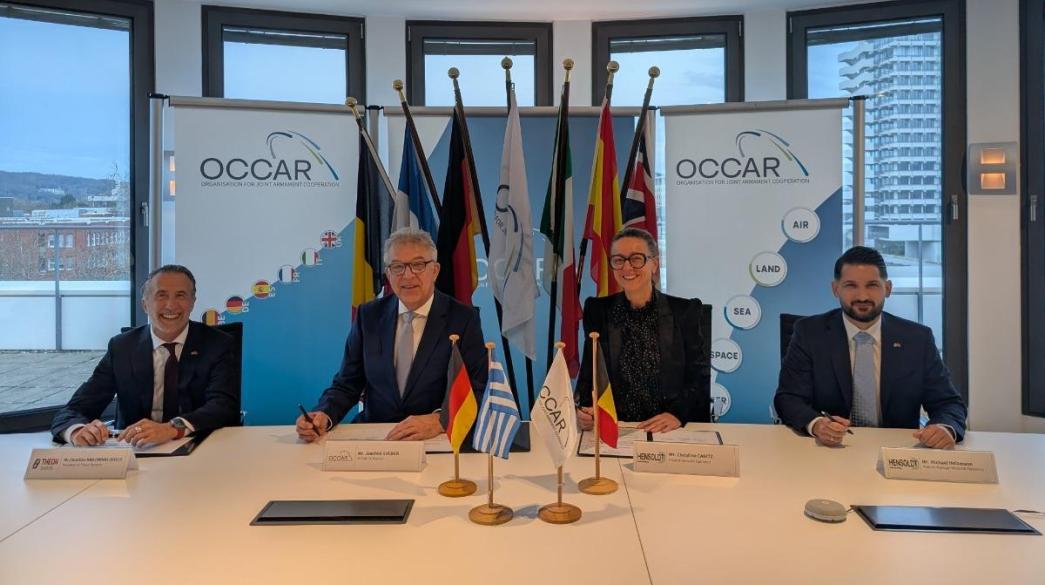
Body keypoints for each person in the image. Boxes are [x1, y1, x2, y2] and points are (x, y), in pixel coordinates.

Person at [297, 227, 487, 442]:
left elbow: (478, 389)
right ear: (388, 274)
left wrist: (440, 420)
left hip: (434, 439)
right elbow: (347, 384)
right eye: (397, 267)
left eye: (418, 265)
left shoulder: (463, 319)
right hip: (376, 437)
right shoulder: (368, 316)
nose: (408, 275)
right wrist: (323, 415)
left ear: (435, 270)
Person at [774, 246, 967, 448]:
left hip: (897, 450)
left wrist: (944, 428)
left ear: (888, 288)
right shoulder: (809, 333)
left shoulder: (917, 339)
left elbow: (948, 403)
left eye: (872, 285)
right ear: (835, 289)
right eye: (851, 285)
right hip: (831, 450)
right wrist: (816, 424)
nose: (862, 296)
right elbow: (789, 398)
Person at [51, 265, 239, 447]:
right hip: (135, 450)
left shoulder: (218, 344)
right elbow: (75, 409)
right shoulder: (122, 347)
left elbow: (223, 406)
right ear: (145, 304)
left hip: (200, 448)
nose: (171, 305)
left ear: (192, 302)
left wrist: (172, 428)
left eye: (180, 295)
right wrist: (77, 431)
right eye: (161, 295)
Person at [575, 227, 711, 433]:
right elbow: (590, 371)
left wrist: (677, 414)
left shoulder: (685, 311)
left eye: (636, 259)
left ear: (654, 264)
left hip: (668, 428)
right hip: (618, 428)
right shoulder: (597, 310)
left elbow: (699, 375)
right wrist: (585, 410)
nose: (627, 267)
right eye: (618, 260)